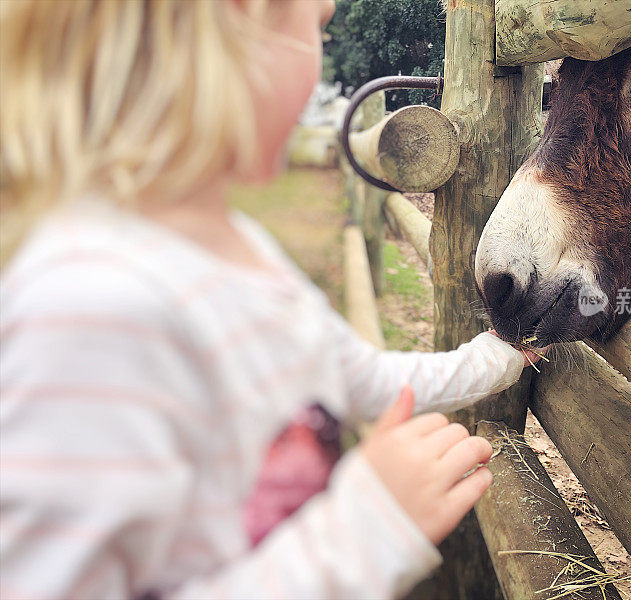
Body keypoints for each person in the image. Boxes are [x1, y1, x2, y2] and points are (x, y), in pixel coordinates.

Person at [0, 1, 543, 598]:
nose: (320, 59)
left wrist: (502, 356)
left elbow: (363, 380)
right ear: (234, 32)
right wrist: (364, 534)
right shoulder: (94, 310)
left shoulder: (243, 252)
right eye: (317, 27)